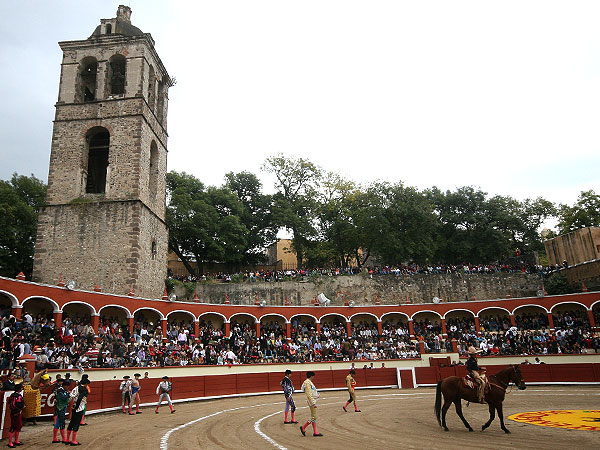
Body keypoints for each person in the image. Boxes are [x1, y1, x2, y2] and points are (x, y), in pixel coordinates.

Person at [66, 378, 89, 446]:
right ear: (85, 384)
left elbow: (70, 397)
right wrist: (76, 406)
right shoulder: (83, 389)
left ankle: (67, 440)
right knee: (76, 424)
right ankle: (73, 441)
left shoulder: (76, 388)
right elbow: (80, 398)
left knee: (72, 422)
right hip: (79, 408)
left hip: (74, 406)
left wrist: (72, 404)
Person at [300, 371, 322, 437]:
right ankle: (303, 427)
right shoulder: (307, 383)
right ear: (311, 376)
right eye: (313, 376)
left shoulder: (307, 382)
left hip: (312, 400)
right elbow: (309, 394)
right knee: (314, 417)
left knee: (313, 416)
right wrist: (313, 403)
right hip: (312, 401)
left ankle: (315, 432)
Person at [7, 381, 25, 448]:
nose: (22, 389)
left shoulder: (19, 395)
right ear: (19, 389)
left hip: (19, 412)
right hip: (15, 413)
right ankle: (10, 442)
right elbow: (12, 405)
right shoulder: (14, 396)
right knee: (13, 427)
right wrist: (18, 409)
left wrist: (22, 407)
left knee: (19, 426)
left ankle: (16, 440)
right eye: (21, 388)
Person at [52, 379, 71, 444]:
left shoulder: (61, 390)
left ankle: (55, 438)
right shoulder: (60, 391)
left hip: (61, 407)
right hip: (60, 408)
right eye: (67, 386)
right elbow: (63, 398)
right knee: (62, 422)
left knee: (58, 423)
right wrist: (68, 394)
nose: (68, 387)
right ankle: (64, 439)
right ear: (64, 386)